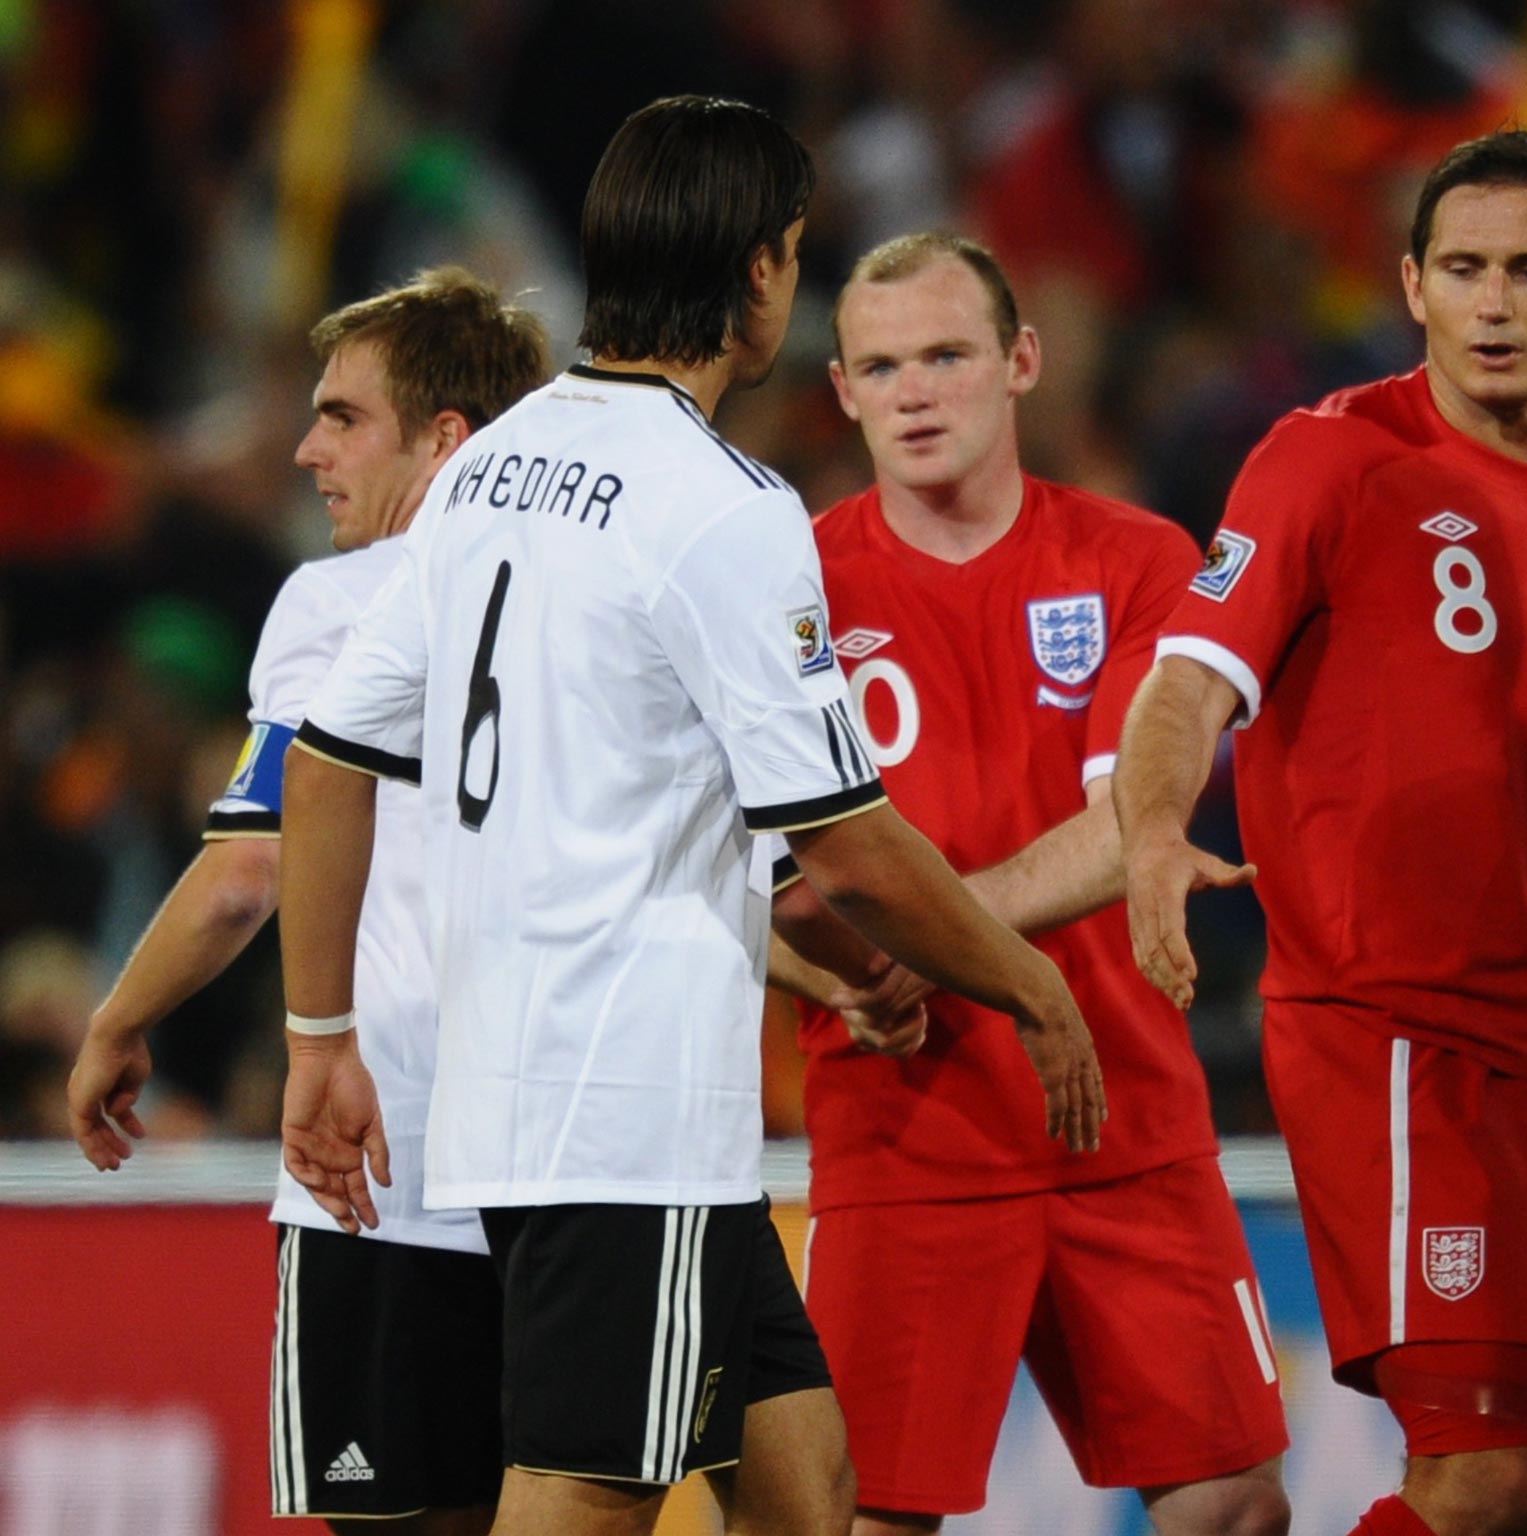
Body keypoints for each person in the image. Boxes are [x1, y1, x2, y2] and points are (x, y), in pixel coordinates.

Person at [271, 95, 1105, 1536]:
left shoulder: (487, 469)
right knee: (589, 1490)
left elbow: (334, 757)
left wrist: (317, 1039)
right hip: (625, 1104)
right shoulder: (724, 507)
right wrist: (1029, 981)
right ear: (763, 273)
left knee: (805, 1482)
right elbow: (846, 835)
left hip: (546, 1094)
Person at [1113, 130, 1527, 1536]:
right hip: (1396, 1035)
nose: (1496, 302)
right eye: (1463, 268)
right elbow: (1187, 678)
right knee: (1481, 1475)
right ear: (1412, 286)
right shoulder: (1329, 457)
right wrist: (1152, 826)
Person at [769, 232, 1291, 1536]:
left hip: (1120, 1110)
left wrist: (918, 937)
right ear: (842, 391)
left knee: (1232, 1503)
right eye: (881, 366)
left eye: (947, 354)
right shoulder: (789, 590)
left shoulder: (1134, 562)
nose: (916, 391)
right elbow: (727, 864)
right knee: (870, 1521)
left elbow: (1137, 820)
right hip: (905, 1126)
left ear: (1021, 362)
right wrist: (820, 966)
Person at [67, 267, 550, 1534]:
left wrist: (117, 1022)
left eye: (342, 418)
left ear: (446, 440)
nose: (305, 448)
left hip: (375, 1171)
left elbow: (245, 868)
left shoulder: (336, 602)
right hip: (569, 1176)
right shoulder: (582, 611)